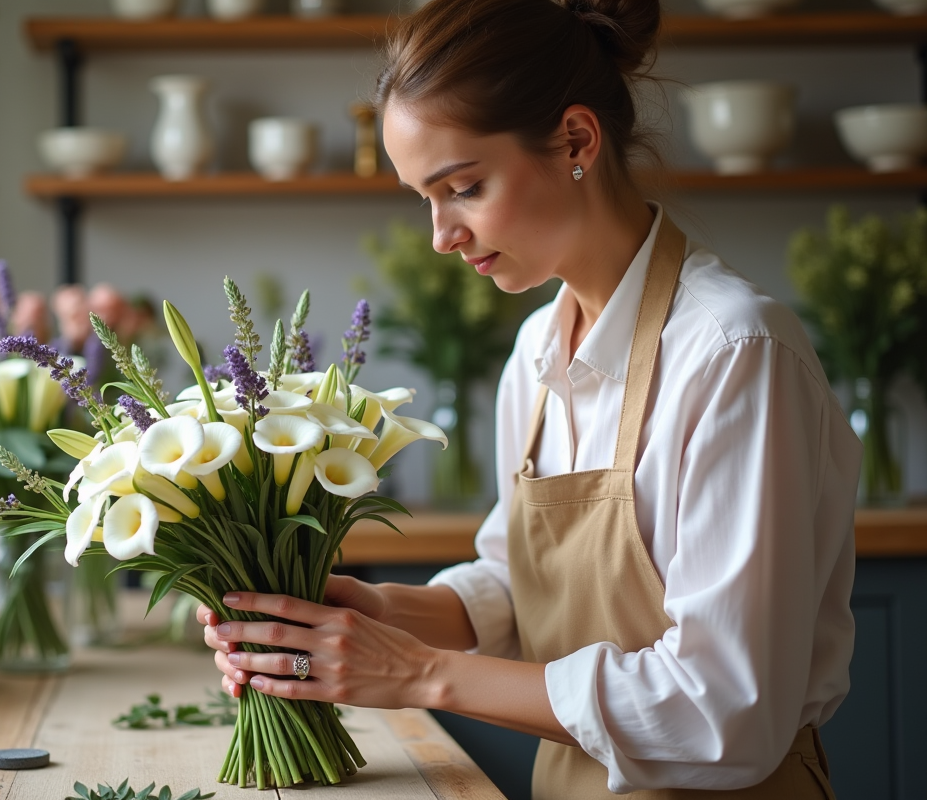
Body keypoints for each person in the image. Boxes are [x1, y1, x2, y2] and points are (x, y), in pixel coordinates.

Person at [197, 0, 862, 795]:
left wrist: (417, 674)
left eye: (465, 187)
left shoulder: (734, 355)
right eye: (425, 199)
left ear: (577, 141)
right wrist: (370, 612)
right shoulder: (539, 350)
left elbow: (724, 714)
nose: (441, 235)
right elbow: (518, 586)